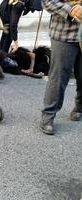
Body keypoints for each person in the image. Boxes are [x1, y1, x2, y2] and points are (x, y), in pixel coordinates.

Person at [39, 0, 82, 135]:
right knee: (58, 78)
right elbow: (47, 1)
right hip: (64, 34)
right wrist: (69, 10)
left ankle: (79, 108)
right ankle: (48, 116)